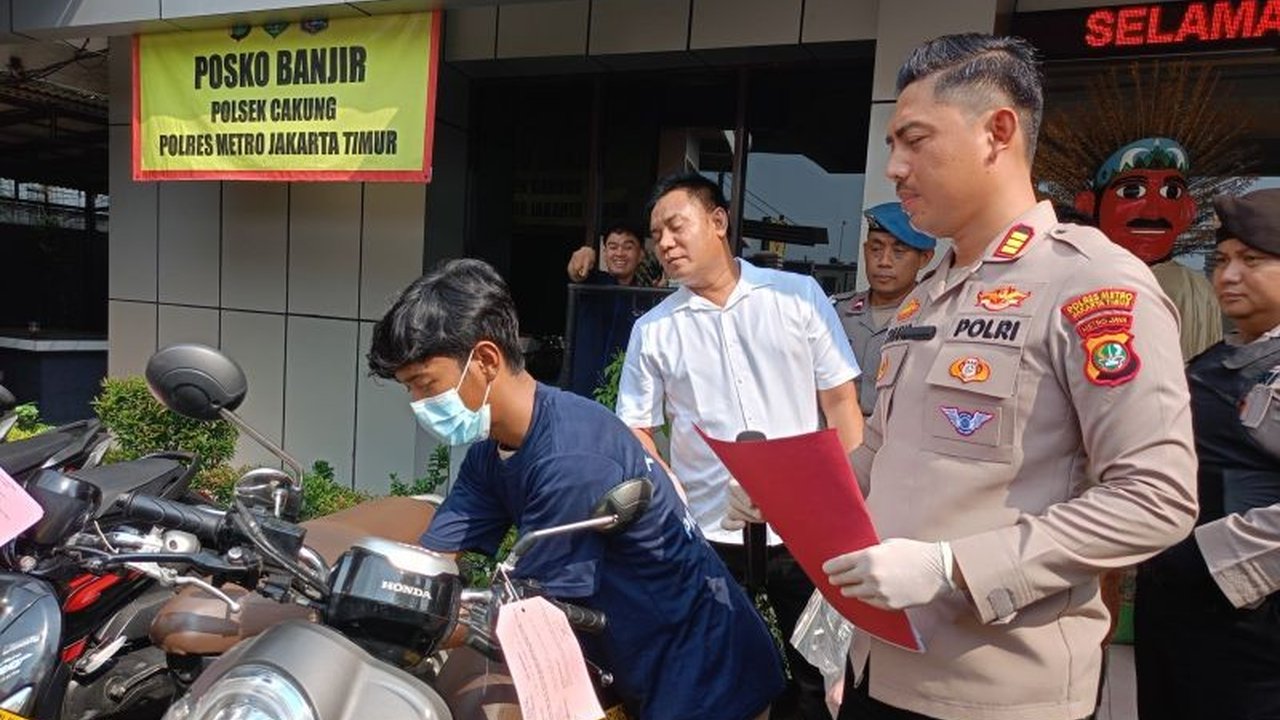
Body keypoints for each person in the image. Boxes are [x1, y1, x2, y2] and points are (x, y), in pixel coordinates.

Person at [819, 33, 1197, 720]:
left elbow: (1156, 499)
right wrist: (796, 500)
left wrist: (950, 567)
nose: (896, 169)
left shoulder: (1090, 282)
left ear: (997, 132)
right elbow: (886, 452)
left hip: (995, 691)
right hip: (879, 662)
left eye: (914, 141)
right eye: (891, 148)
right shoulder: (930, 287)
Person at [367, 258, 783, 720]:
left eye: (425, 385)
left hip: (708, 677)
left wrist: (419, 620)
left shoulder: (573, 456)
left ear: (484, 360)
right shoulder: (495, 447)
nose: (419, 404)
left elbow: (530, 616)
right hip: (644, 666)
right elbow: (438, 555)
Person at [616, 172, 864, 720]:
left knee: (819, 675)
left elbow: (841, 404)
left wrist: (850, 511)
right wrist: (672, 489)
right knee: (714, 669)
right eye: (656, 235)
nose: (665, 244)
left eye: (676, 226)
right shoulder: (655, 331)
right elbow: (636, 424)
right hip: (710, 530)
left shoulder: (795, 297)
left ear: (718, 221)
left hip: (805, 529)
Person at [1135, 188, 1280, 720]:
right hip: (1179, 613)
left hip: (1251, 627)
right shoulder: (1219, 358)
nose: (1229, 274)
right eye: (1221, 260)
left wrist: (1204, 558)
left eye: (1254, 260)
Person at [830, 202, 936, 416]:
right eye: (876, 249)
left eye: (898, 251)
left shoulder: (935, 318)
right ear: (865, 250)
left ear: (924, 258)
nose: (884, 261)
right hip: (840, 439)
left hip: (899, 442)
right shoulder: (834, 313)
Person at [563, 223, 664, 398]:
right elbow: (576, 272)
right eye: (613, 247)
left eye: (628, 247)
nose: (619, 253)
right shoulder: (592, 282)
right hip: (582, 392)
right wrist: (584, 255)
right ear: (604, 252)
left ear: (640, 255)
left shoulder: (648, 298)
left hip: (626, 396)